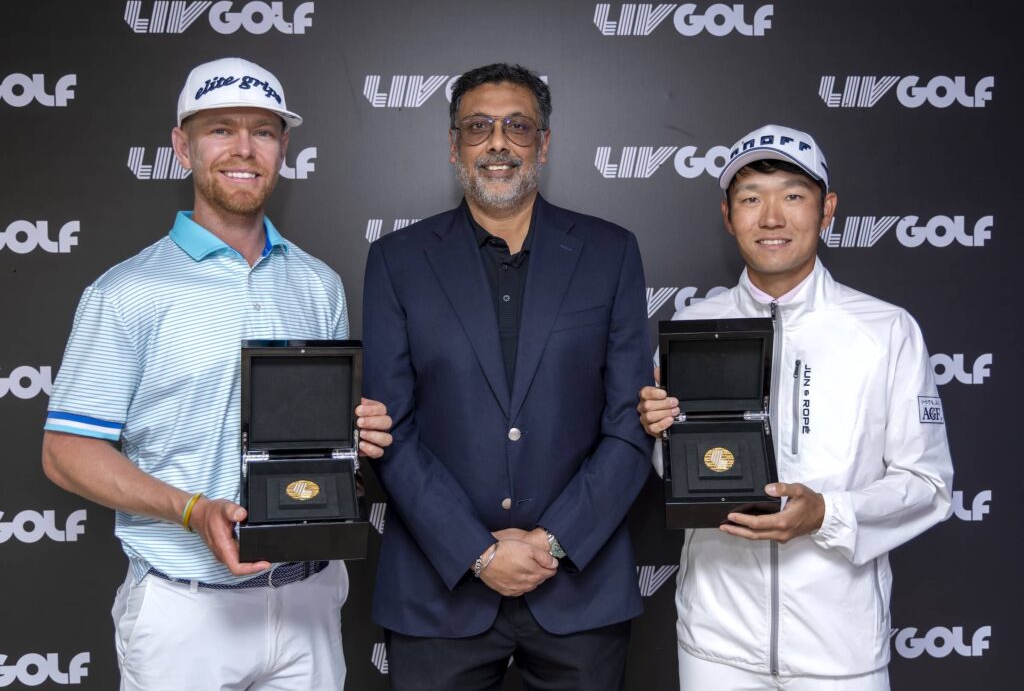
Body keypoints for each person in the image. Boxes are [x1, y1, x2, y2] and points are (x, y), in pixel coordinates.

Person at [40, 57, 392, 690]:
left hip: (310, 599)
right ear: (182, 147)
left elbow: (318, 442)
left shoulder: (319, 282)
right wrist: (192, 509)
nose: (243, 148)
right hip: (187, 609)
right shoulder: (126, 291)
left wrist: (354, 434)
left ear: (283, 149)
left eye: (262, 130)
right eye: (220, 129)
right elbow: (65, 451)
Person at [362, 63, 653, 690]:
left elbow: (631, 423)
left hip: (580, 588)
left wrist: (553, 542)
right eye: (478, 127)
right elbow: (389, 431)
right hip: (439, 591)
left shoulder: (611, 253)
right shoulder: (396, 262)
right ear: (454, 145)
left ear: (543, 144)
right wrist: (478, 550)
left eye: (517, 127)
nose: (498, 143)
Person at [638, 124, 953, 689]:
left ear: (827, 209)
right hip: (716, 642)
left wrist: (826, 514)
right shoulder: (690, 326)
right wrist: (660, 436)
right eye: (751, 198)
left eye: (793, 195)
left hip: (840, 649)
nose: (772, 217)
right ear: (728, 214)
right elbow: (679, 476)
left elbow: (927, 485)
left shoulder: (885, 329)